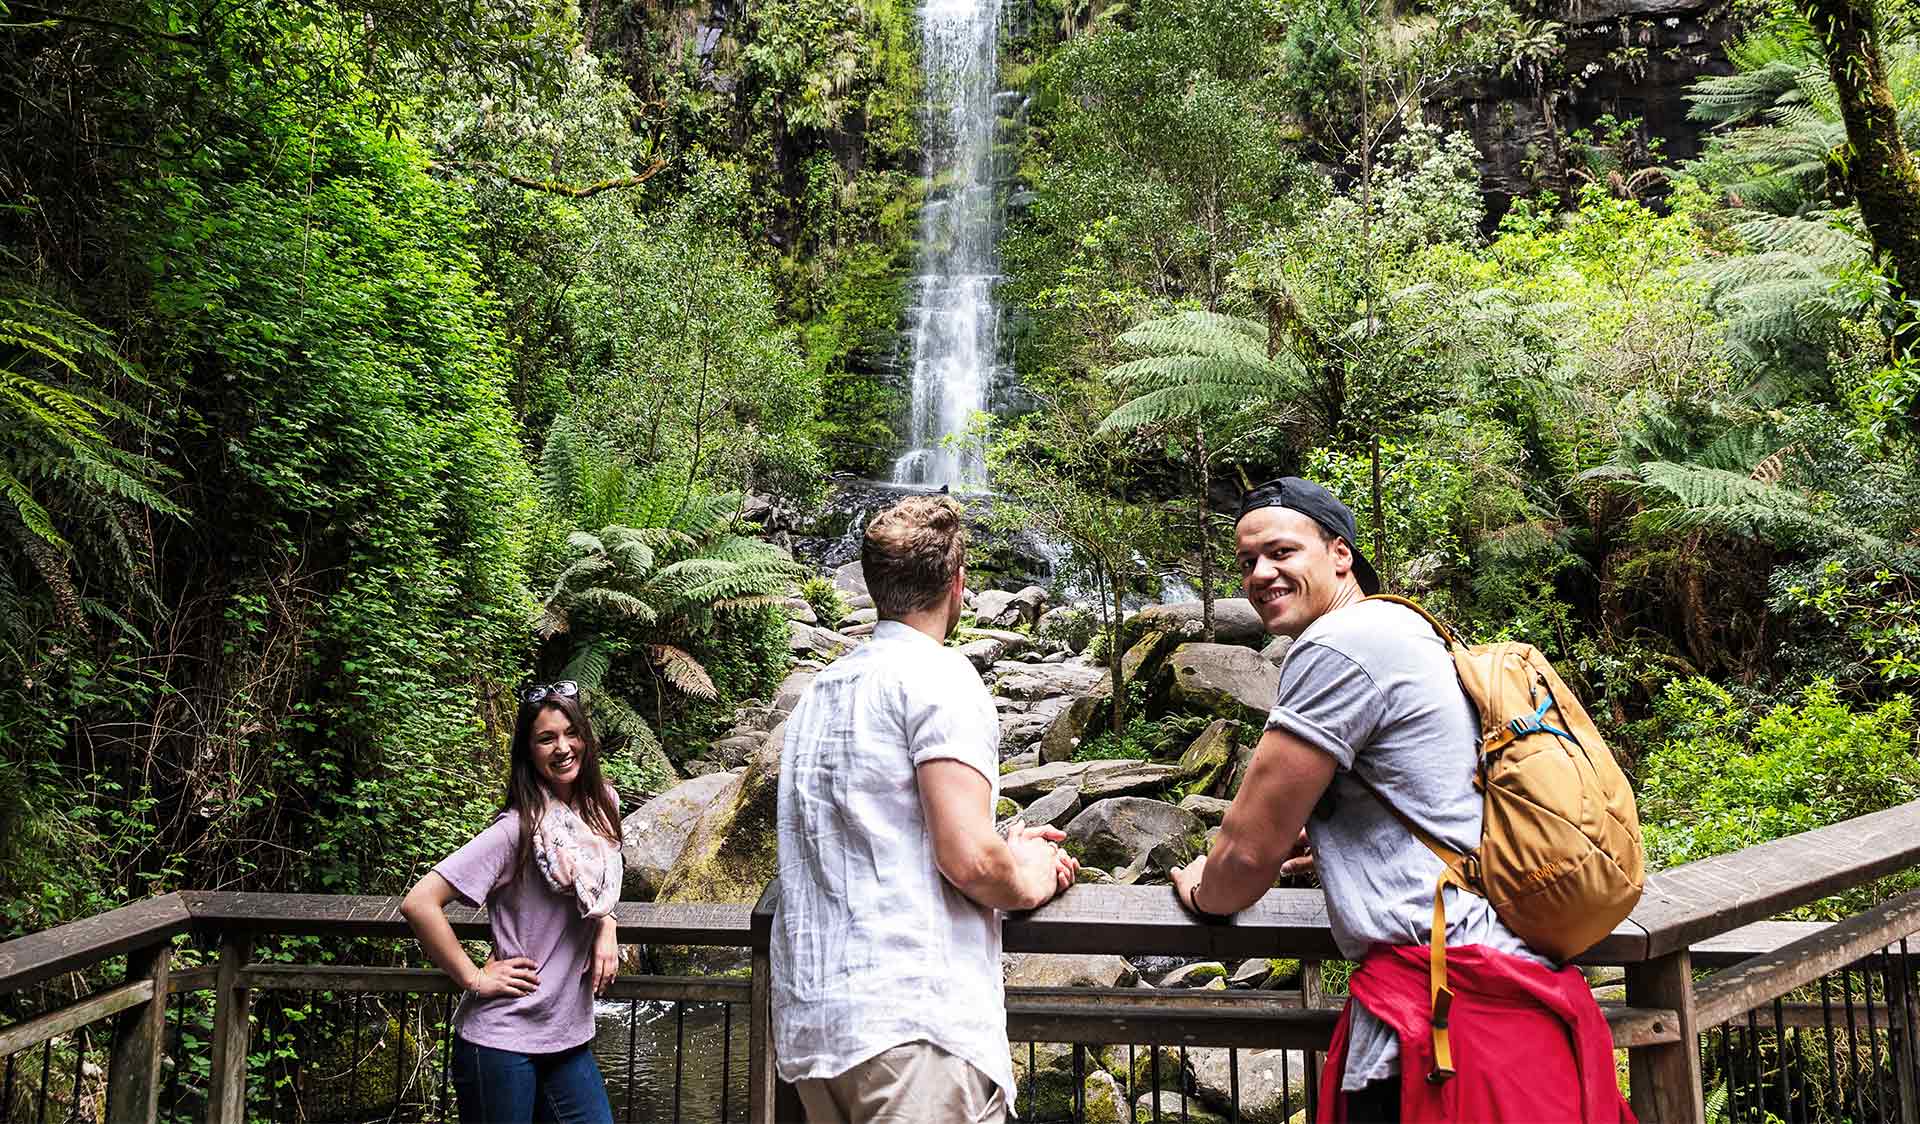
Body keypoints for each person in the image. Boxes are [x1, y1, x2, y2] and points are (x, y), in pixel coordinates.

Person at [1170, 477, 1633, 1123]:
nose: (1260, 573)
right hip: (1511, 982)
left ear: (1339, 553)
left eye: (1280, 552)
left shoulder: (1336, 646)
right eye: (1247, 561)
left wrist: (1198, 890)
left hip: (1443, 1007)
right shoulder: (1408, 626)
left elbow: (1243, 859)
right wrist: (1331, 834)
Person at [772, 494, 1078, 1124]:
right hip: (910, 1028)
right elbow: (971, 862)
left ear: (874, 583)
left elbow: (881, 829)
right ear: (957, 586)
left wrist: (1002, 840)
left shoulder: (820, 694)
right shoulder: (940, 678)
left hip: (815, 1028)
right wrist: (1033, 870)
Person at [401, 682, 624, 1124]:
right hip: (501, 1041)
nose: (562, 748)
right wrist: (473, 977)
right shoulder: (515, 831)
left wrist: (608, 923)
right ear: (529, 751)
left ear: (585, 738)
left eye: (570, 733)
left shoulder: (603, 808)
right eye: (546, 738)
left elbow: (596, 892)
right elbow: (420, 902)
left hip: (567, 1038)